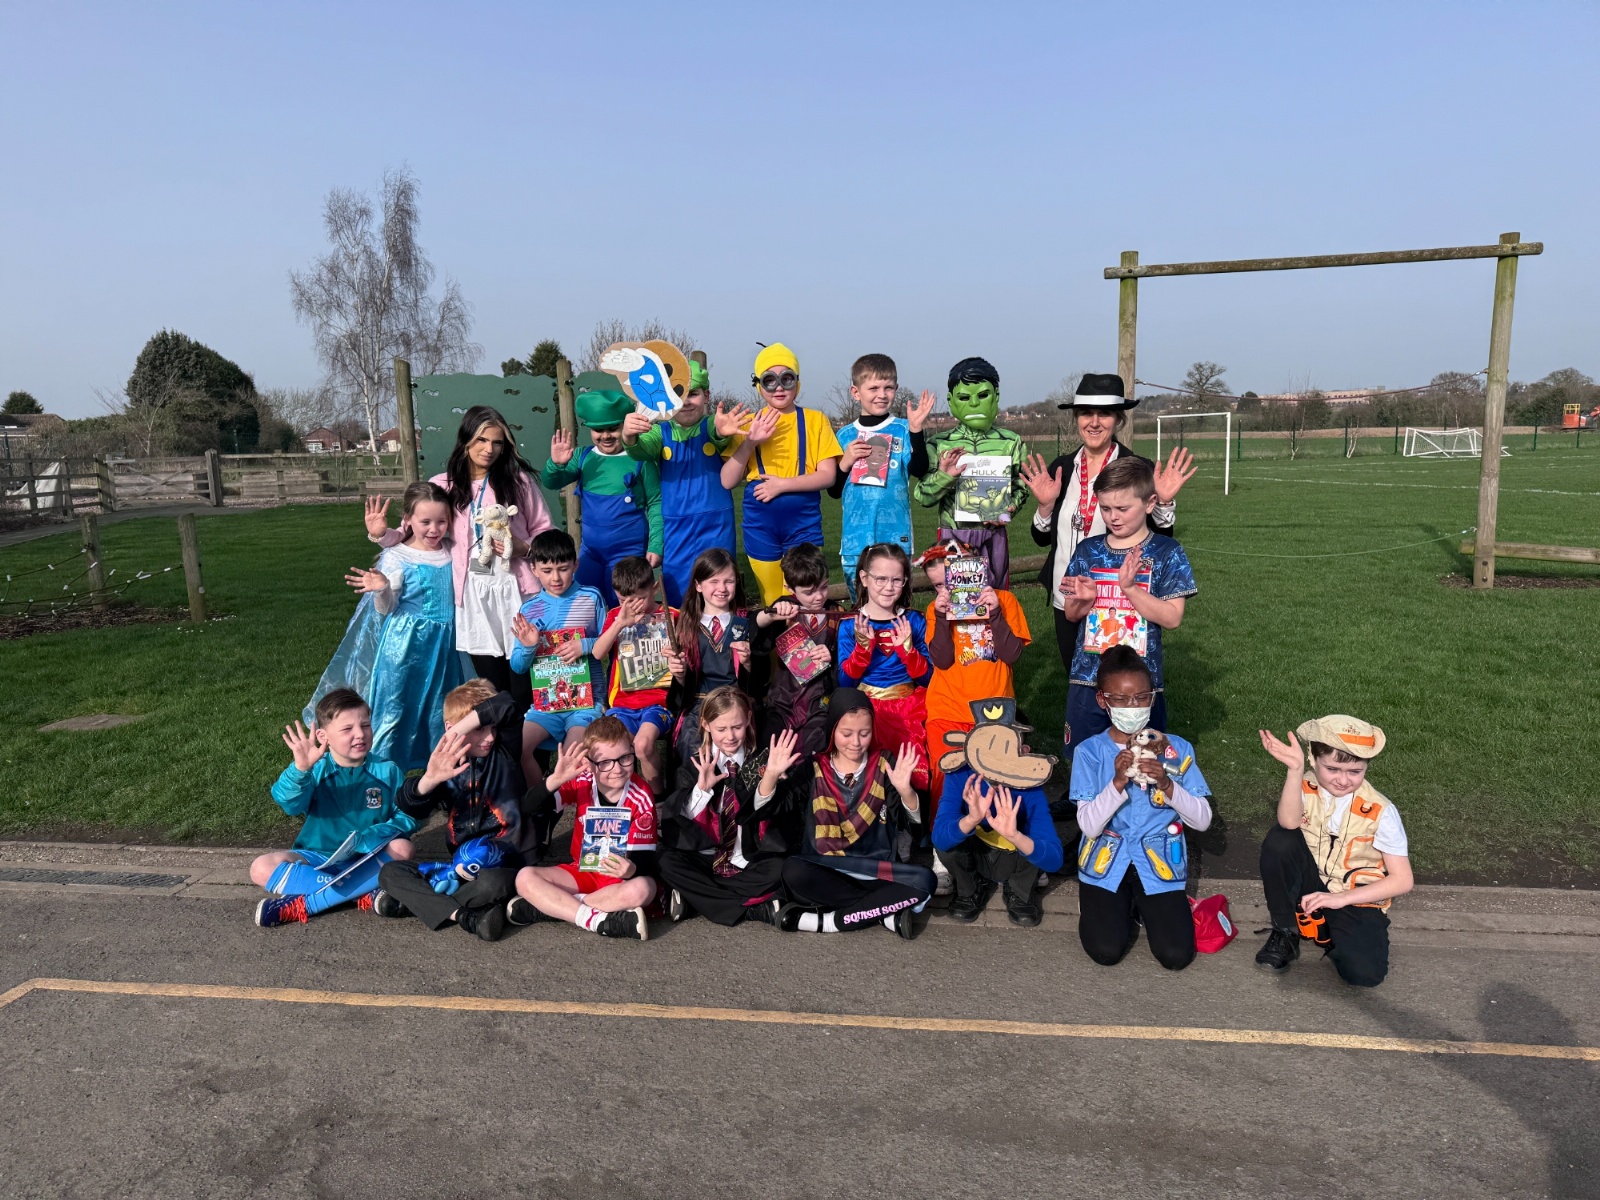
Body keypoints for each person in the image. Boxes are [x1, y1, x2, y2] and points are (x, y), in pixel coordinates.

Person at [368, 405, 554, 714]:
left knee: (526, 684)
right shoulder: (443, 485)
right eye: (481, 440)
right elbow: (408, 535)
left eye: (497, 442)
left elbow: (546, 530)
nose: (489, 449)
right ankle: (501, 745)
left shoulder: (518, 482)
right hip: (473, 598)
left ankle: (532, 743)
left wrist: (524, 548)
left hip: (518, 592)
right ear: (466, 440)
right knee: (493, 689)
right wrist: (380, 534)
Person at [1020, 372, 1193, 671]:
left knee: (1120, 683)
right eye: (1086, 413)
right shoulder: (1061, 468)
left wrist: (1163, 502)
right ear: (1076, 418)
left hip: (1117, 601)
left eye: (1104, 414)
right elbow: (1041, 538)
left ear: (1118, 420)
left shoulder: (1137, 469)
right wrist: (1045, 506)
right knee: (1077, 678)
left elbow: (1161, 538)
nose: (1094, 422)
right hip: (1069, 599)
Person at [308, 481, 468, 774]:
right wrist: (382, 588)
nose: (434, 529)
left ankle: (440, 773)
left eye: (441, 521)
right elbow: (386, 608)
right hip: (405, 647)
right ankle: (381, 777)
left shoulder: (451, 551)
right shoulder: (398, 556)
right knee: (395, 708)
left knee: (439, 708)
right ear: (408, 520)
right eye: (425, 522)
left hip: (444, 645)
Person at [1069, 647, 1213, 970]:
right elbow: (1089, 826)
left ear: (1152, 697)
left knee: (1175, 955)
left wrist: (1167, 784)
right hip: (1107, 860)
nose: (1132, 707)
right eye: (1120, 699)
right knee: (1105, 951)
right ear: (1102, 700)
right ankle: (1111, 904)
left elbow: (1202, 820)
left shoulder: (1176, 749)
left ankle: (1142, 905)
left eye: (1141, 697)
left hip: (1158, 860)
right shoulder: (1089, 752)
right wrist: (1117, 783)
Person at [375, 680, 546, 942]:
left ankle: (419, 904)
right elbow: (409, 806)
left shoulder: (504, 752)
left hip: (506, 865)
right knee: (390, 872)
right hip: (460, 870)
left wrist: (460, 730)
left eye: (492, 728)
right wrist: (429, 780)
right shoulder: (447, 766)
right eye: (479, 729)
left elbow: (507, 704)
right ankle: (466, 916)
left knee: (494, 884)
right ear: (449, 727)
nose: (490, 737)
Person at [1255, 716, 1413, 987]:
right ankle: (1286, 930)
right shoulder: (1304, 784)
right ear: (1313, 759)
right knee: (1280, 840)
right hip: (1310, 881)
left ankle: (1327, 929)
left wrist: (1340, 899)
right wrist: (1294, 770)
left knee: (1364, 975)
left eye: (1355, 771)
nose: (1343, 780)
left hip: (1352, 896)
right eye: (1332, 769)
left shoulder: (1381, 810)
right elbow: (1289, 823)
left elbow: (1403, 880)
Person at [1057, 456, 1196, 763]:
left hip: (1140, 682)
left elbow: (1172, 617)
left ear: (1150, 503)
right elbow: (1071, 614)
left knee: (1144, 760)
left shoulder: (1167, 552)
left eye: (1122, 508)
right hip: (1089, 677)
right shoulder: (1088, 550)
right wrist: (1085, 601)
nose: (1113, 517)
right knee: (1086, 756)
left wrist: (1130, 589)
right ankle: (1087, 792)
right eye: (1105, 508)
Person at [252, 689, 416, 927]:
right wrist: (300, 770)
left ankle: (305, 904)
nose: (360, 734)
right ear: (323, 736)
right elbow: (289, 804)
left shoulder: (387, 770)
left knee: (403, 847)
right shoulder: (315, 769)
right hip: (317, 857)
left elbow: (407, 817)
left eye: (365, 725)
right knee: (260, 868)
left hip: (366, 857)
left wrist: (372, 836)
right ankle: (362, 893)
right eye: (347, 729)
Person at [778, 688, 932, 938]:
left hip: (876, 869)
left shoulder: (884, 763)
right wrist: (771, 776)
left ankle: (828, 921)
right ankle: (882, 911)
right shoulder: (814, 766)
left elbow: (912, 827)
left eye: (864, 733)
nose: (856, 742)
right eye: (847, 734)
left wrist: (906, 791)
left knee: (925, 881)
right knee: (792, 870)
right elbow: (776, 809)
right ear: (832, 730)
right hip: (827, 867)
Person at [658, 688, 805, 927]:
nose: (730, 736)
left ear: (748, 719)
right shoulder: (693, 766)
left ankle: (696, 900)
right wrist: (701, 791)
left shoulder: (764, 762)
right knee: (665, 861)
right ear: (706, 724)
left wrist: (770, 778)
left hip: (749, 860)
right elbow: (678, 825)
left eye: (736, 727)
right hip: (705, 858)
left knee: (785, 869)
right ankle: (755, 910)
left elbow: (776, 819)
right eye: (721, 729)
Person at [507, 717, 659, 941]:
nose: (617, 769)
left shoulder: (641, 795)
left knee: (644, 888)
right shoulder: (583, 780)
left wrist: (631, 870)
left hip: (617, 880)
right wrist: (554, 780)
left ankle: (551, 908)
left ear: (631, 752)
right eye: (605, 762)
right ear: (588, 763)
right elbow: (528, 807)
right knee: (524, 878)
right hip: (581, 871)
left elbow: (644, 859)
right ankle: (597, 920)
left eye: (625, 758)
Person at [719, 343, 843, 604]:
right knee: (773, 599)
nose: (778, 388)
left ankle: (809, 633)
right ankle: (775, 633)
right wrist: (750, 442)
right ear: (758, 385)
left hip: (803, 522)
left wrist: (782, 485)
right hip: (760, 524)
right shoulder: (747, 423)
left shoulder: (816, 420)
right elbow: (727, 480)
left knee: (805, 595)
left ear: (797, 383)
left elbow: (827, 476)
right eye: (769, 380)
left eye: (786, 379)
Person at [919, 541, 1030, 821]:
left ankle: (992, 835)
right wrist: (942, 617)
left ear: (977, 570)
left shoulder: (1005, 601)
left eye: (953, 581)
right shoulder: (935, 610)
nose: (947, 591)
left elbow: (1012, 654)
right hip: (948, 710)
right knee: (946, 781)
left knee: (995, 782)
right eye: (938, 586)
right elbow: (941, 660)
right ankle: (944, 838)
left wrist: (995, 614)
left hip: (994, 712)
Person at [623, 359, 743, 607]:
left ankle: (723, 631)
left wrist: (722, 432)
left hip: (716, 524)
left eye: (693, 393)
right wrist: (628, 435)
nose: (685, 401)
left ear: (706, 396)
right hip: (676, 526)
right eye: (677, 394)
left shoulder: (712, 424)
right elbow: (641, 449)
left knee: (719, 586)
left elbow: (718, 433)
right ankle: (682, 632)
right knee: (678, 589)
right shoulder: (660, 432)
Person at [932, 716, 1063, 928]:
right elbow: (939, 838)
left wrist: (1015, 836)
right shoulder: (959, 774)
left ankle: (1019, 891)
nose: (996, 759)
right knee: (951, 835)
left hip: (1014, 860)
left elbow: (1054, 859)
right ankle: (970, 889)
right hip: (976, 855)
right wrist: (970, 819)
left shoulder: (1029, 786)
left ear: (1025, 752)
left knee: (1034, 841)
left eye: (1006, 749)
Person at [912, 357, 1030, 588]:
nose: (974, 404)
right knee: (957, 600)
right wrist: (945, 477)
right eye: (964, 398)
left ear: (996, 396)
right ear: (951, 401)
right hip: (953, 536)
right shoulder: (939, 444)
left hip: (994, 534)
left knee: (996, 597)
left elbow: (1021, 486)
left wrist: (1008, 510)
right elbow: (922, 496)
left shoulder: (1011, 442)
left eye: (983, 395)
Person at [541, 388, 663, 609]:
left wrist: (655, 545)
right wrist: (556, 464)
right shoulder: (583, 456)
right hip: (591, 553)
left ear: (625, 426)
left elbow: (656, 503)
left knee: (626, 607)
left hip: (628, 554)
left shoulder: (641, 459)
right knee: (584, 605)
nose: (605, 436)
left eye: (613, 428)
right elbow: (551, 482)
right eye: (598, 430)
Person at [828, 354, 935, 601]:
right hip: (856, 541)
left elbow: (920, 469)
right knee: (861, 609)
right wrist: (845, 462)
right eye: (874, 388)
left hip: (895, 538)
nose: (882, 394)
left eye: (888, 387)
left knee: (896, 607)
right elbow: (833, 491)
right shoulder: (844, 436)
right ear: (856, 392)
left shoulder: (903, 429)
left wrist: (916, 430)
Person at [509, 530, 607, 784]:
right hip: (546, 705)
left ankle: (570, 799)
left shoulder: (591, 597)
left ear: (575, 565)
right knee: (518, 749)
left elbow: (609, 644)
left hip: (586, 703)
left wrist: (584, 645)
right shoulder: (529, 609)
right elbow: (518, 666)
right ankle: (541, 801)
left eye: (563, 569)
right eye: (547, 570)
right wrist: (529, 647)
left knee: (572, 758)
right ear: (533, 569)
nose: (556, 577)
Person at [835, 543, 932, 791]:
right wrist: (862, 650)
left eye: (896, 580)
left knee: (913, 774)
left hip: (909, 710)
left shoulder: (914, 620)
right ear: (864, 578)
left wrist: (908, 651)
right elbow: (845, 683)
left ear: (905, 581)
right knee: (872, 779)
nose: (889, 587)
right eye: (881, 579)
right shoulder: (850, 624)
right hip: (867, 711)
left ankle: (913, 812)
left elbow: (929, 679)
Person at [589, 555, 676, 795]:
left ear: (654, 588)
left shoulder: (671, 617)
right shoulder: (615, 617)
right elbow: (597, 653)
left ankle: (657, 799)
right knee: (613, 748)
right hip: (622, 705)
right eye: (623, 601)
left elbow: (686, 659)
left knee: (642, 745)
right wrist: (620, 623)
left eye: (639, 599)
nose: (632, 607)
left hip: (658, 702)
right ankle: (624, 799)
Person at [754, 542, 848, 761]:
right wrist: (770, 616)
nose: (819, 596)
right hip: (782, 702)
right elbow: (757, 640)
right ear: (789, 588)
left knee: (810, 759)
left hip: (819, 704)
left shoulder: (837, 614)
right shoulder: (784, 610)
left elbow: (847, 663)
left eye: (824, 587)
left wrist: (832, 656)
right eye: (809, 592)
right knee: (768, 755)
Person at [665, 548, 755, 756]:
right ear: (698, 585)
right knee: (692, 746)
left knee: (742, 744)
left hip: (736, 704)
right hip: (699, 704)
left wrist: (749, 664)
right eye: (713, 581)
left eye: (728, 581)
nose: (721, 588)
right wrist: (680, 675)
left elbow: (758, 686)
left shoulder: (745, 622)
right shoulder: (686, 627)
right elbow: (679, 697)